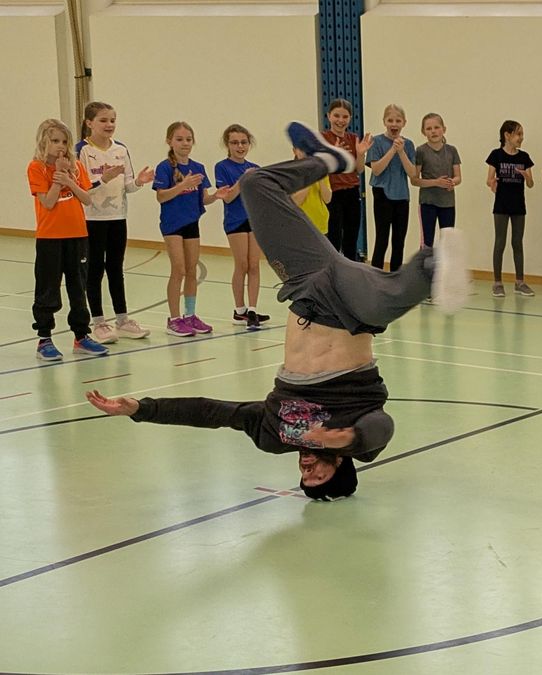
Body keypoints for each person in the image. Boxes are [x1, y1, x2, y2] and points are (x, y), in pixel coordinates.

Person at [86, 122, 469, 500]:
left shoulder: (276, 435)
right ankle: (434, 265)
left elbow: (216, 413)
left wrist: (141, 409)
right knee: (388, 297)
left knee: (256, 184)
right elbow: (381, 427)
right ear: (340, 467)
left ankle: (328, 160)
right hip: (349, 311)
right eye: (319, 476)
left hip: (305, 284)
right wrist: (348, 438)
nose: (307, 470)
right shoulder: (357, 440)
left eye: (304, 478)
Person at [28, 119, 108, 361]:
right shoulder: (36, 167)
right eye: (55, 141)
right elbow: (48, 202)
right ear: (44, 141)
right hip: (50, 237)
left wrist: (69, 178)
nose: (60, 146)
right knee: (48, 288)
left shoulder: (77, 167)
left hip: (78, 235)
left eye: (64, 141)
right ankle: (44, 338)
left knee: (78, 287)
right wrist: (58, 177)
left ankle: (81, 336)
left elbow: (87, 198)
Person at [76, 101, 154, 343]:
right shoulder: (82, 150)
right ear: (89, 123)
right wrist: (103, 178)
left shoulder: (120, 149)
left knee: (116, 268)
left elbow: (128, 186)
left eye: (112, 120)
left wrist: (139, 181)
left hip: (118, 217)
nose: (109, 124)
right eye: (103, 120)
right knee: (95, 269)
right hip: (92, 219)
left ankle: (122, 320)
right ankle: (98, 322)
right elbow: (81, 188)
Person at [153, 121, 231, 337]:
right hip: (172, 224)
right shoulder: (165, 167)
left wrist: (216, 196)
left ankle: (190, 315)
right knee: (178, 269)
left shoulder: (198, 168)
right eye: (179, 139)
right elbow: (161, 196)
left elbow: (203, 199)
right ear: (170, 141)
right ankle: (174, 319)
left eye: (188, 139)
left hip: (191, 222)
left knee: (191, 270)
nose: (185, 143)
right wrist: (181, 185)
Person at [215, 124, 269, 330]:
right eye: (235, 143)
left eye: (244, 142)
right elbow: (228, 197)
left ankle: (252, 309)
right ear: (227, 145)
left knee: (254, 264)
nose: (240, 146)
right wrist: (243, 179)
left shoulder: (255, 167)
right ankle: (239, 310)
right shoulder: (222, 167)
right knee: (242, 264)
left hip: (254, 220)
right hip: (235, 221)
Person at [486, 120, 535, 298]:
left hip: (518, 206)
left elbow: (531, 184)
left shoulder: (524, 157)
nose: (521, 138)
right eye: (518, 134)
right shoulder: (496, 155)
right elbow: (489, 180)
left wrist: (526, 177)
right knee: (500, 242)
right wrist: (492, 183)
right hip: (501, 205)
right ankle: (497, 283)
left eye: (522, 134)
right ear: (507, 135)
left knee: (517, 242)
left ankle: (519, 282)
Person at [365, 104, 416, 271]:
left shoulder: (408, 145)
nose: (394, 124)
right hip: (382, 194)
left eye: (398, 121)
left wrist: (401, 151)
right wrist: (393, 150)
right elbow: (376, 169)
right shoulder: (376, 142)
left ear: (404, 123)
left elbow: (412, 173)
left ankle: (396, 276)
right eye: (390, 120)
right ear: (384, 121)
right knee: (382, 238)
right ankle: (375, 276)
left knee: (399, 240)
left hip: (402, 196)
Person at [322, 99, 366, 260]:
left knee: (351, 239)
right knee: (334, 238)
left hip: (352, 192)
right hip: (333, 194)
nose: (340, 120)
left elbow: (359, 169)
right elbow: (320, 167)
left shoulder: (353, 138)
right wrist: (334, 153)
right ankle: (333, 271)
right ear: (329, 116)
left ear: (350, 118)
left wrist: (360, 154)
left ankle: (351, 271)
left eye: (345, 117)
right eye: (336, 116)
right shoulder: (323, 138)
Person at [413, 113, 461, 248]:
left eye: (436, 127)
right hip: (428, 202)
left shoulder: (452, 150)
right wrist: (435, 182)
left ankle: (443, 263)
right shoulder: (421, 151)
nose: (433, 131)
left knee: (447, 242)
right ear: (423, 132)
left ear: (443, 129)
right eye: (429, 128)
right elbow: (414, 180)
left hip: (448, 203)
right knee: (427, 242)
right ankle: (425, 263)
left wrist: (452, 182)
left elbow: (458, 177)